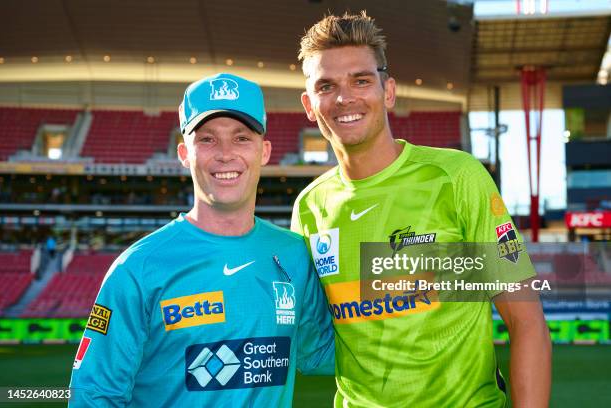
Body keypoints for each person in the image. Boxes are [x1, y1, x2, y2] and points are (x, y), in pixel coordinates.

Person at [291, 12, 551, 408]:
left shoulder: (455, 177)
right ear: (310, 105)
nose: (345, 98)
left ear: (388, 91)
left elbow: (526, 322)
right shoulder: (309, 207)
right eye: (327, 86)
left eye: (361, 80)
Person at [69, 73, 334, 407]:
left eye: (241, 138)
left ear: (264, 151)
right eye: (207, 139)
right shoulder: (138, 267)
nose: (225, 154)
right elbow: (93, 395)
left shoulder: (292, 253)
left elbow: (320, 353)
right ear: (184, 153)